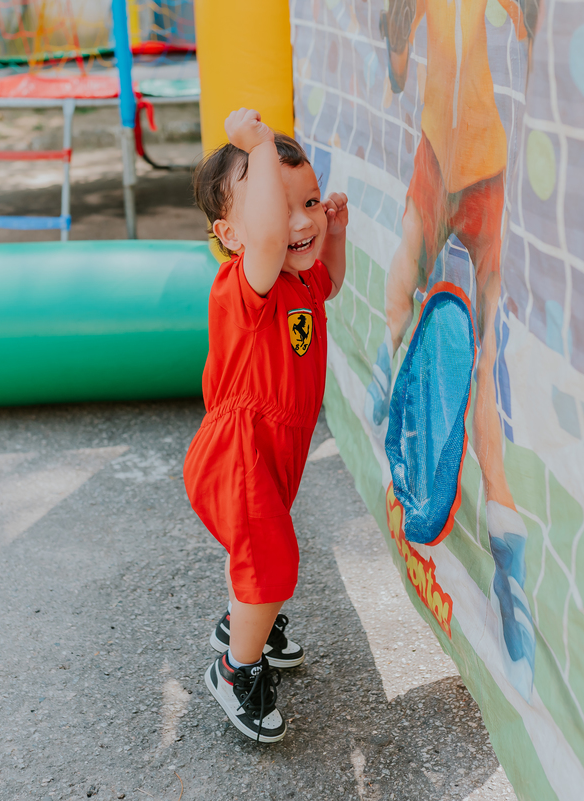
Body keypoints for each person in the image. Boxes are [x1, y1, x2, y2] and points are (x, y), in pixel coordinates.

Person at [372, 0, 538, 700]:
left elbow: (531, 33)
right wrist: (397, 33)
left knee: (488, 375)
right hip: (442, 162)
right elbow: (399, 75)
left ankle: (509, 573)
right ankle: (389, 391)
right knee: (400, 286)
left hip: (483, 171)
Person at [183, 108, 347, 742]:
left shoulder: (299, 282)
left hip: (276, 446)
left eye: (308, 200)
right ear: (232, 233)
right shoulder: (248, 282)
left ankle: (250, 620)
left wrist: (336, 230)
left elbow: (332, 281)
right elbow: (274, 239)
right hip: (240, 452)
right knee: (271, 563)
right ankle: (234, 668)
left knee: (263, 558)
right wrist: (252, 144)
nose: (299, 220)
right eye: (279, 207)